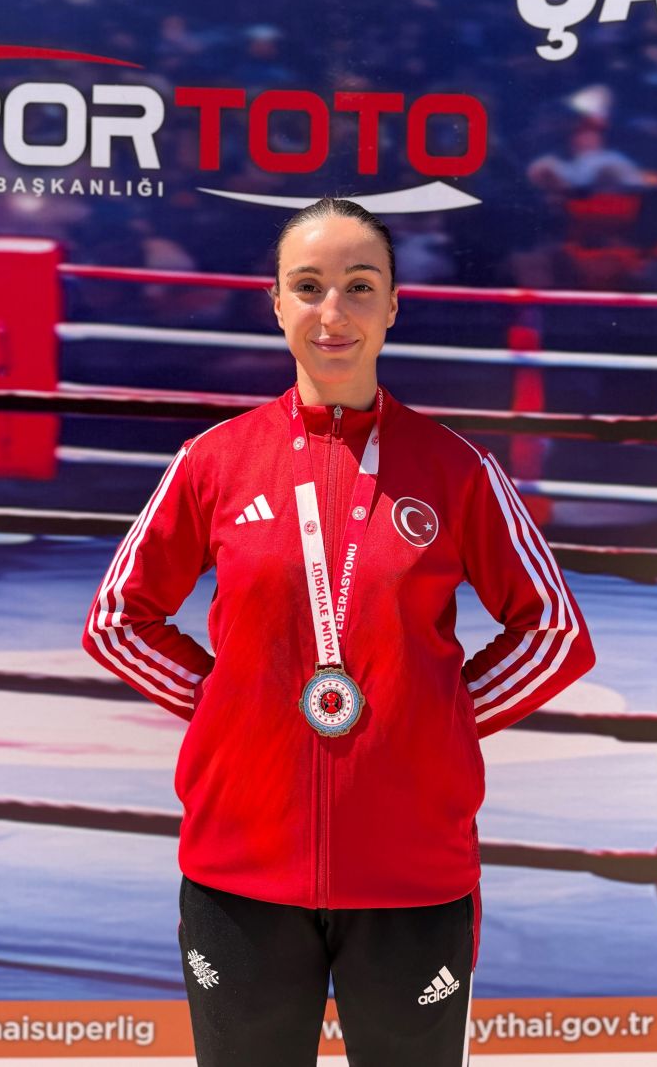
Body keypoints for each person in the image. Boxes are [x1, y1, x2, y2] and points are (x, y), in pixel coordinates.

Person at [82, 197, 595, 1067]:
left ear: (393, 304)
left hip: (412, 874)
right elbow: (117, 619)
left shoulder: (457, 468)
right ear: (276, 303)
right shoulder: (214, 460)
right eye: (309, 286)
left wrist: (438, 717)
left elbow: (552, 630)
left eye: (359, 286)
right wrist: (224, 703)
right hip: (241, 869)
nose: (334, 312)